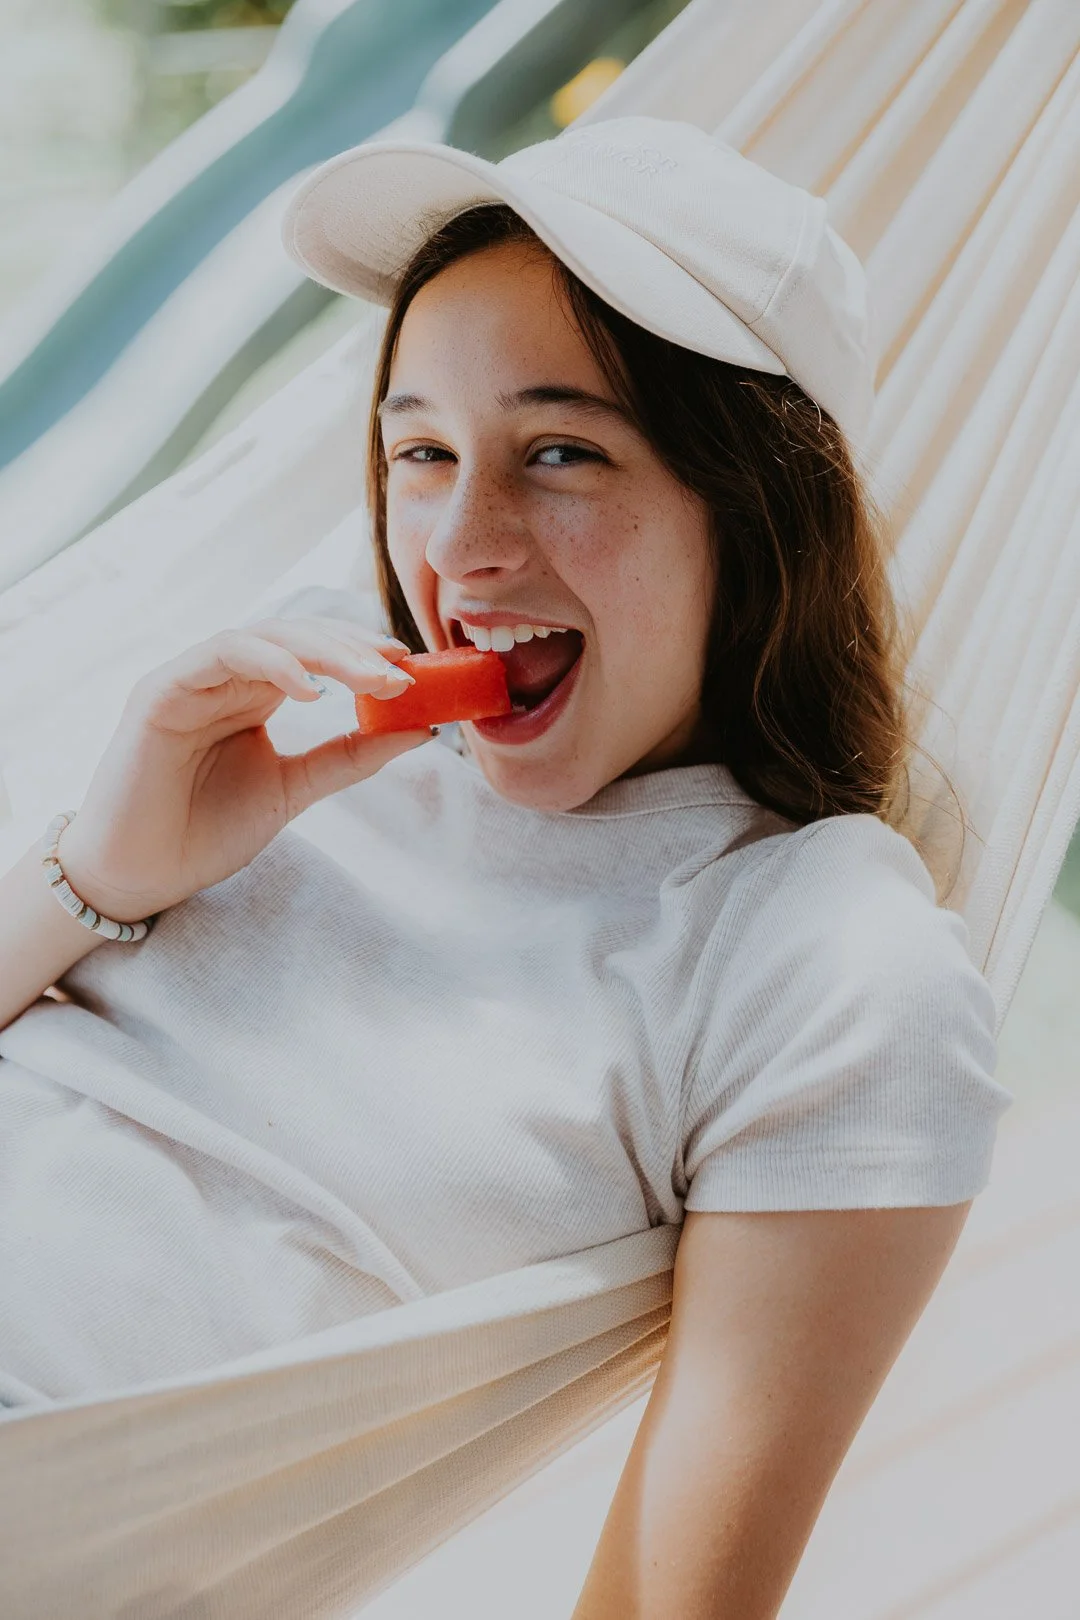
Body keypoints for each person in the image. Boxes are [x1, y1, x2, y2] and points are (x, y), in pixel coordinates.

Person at [0, 117, 1010, 1616]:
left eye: (560, 451)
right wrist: (105, 869)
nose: (459, 547)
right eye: (420, 450)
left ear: (755, 506)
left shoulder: (821, 959)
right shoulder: (285, 697)